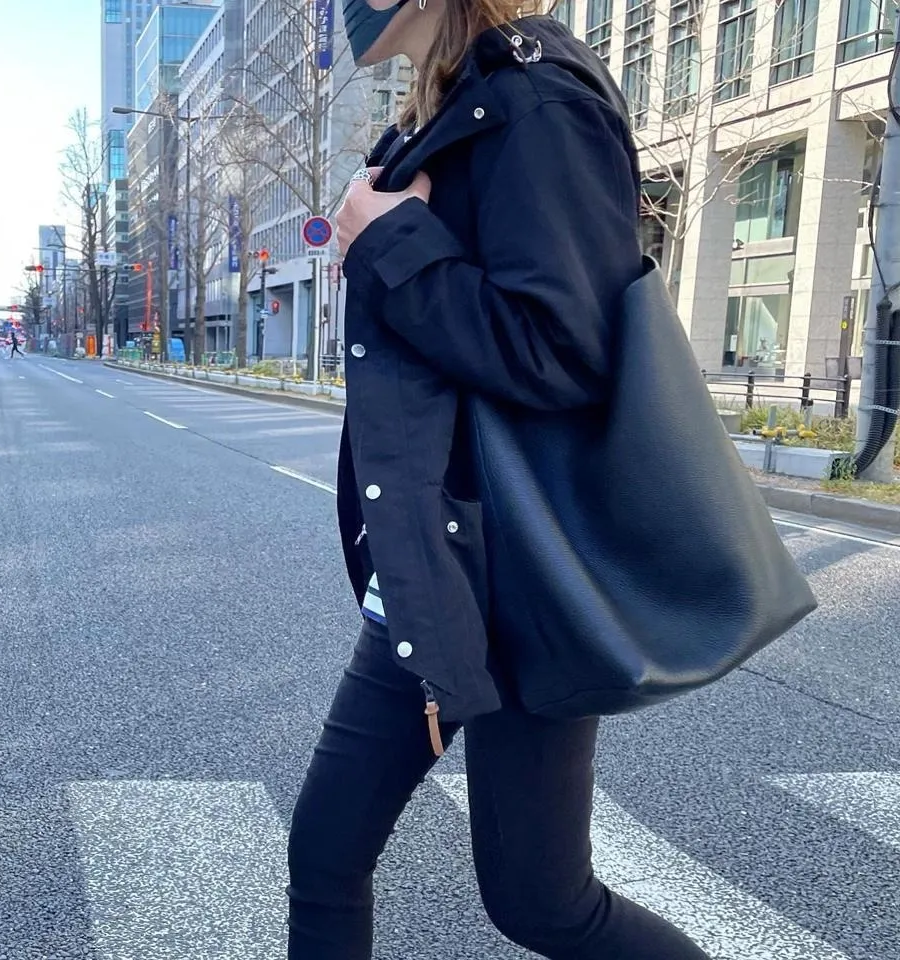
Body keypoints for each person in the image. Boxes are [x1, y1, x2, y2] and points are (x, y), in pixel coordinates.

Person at [286, 2, 713, 958]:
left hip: (518, 578)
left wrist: (390, 243)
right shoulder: (452, 109)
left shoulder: (538, 103)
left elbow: (566, 351)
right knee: (325, 850)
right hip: (434, 566)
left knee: (542, 903)